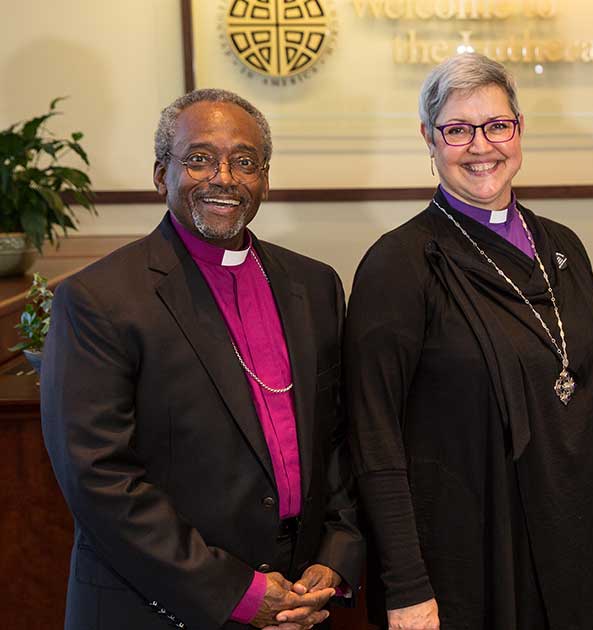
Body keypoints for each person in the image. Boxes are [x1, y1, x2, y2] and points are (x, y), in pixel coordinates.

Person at [40, 88, 363, 630]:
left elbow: (338, 440)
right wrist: (234, 591)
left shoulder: (315, 285)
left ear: (264, 177)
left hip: (298, 602)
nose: (225, 178)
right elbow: (99, 478)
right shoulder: (99, 299)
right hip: (157, 607)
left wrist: (336, 554)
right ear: (160, 174)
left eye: (245, 162)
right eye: (199, 159)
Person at [344, 53, 593, 630]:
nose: (482, 146)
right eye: (458, 130)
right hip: (469, 561)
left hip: (578, 551)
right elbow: (373, 436)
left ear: (519, 131)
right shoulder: (398, 266)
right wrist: (405, 585)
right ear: (429, 138)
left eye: (497, 125)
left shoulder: (566, 249)